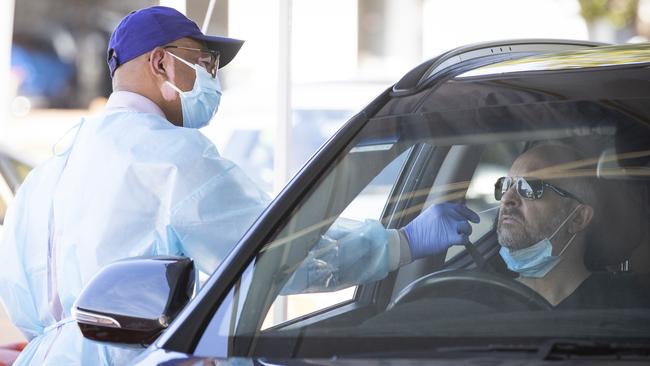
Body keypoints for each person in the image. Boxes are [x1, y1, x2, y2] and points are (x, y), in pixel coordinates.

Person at [0, 6, 478, 365]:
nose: (213, 76)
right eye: (204, 61)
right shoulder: (173, 158)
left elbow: (20, 301)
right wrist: (399, 243)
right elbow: (277, 253)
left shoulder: (49, 171)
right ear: (162, 64)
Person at [495, 142, 649, 308]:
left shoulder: (625, 312)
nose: (506, 198)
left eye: (528, 187)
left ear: (578, 218)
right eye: (505, 184)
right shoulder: (480, 297)